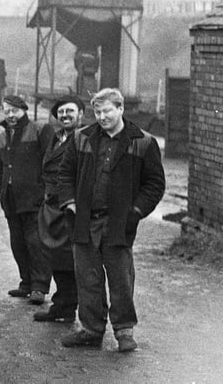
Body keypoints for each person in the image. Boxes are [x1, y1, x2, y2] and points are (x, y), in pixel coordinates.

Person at [58, 88, 165, 353]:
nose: (102, 117)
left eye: (107, 111)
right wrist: (70, 203)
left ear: (120, 109)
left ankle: (124, 331)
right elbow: (65, 174)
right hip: (85, 220)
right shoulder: (82, 138)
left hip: (118, 222)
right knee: (88, 278)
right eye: (97, 112)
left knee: (121, 279)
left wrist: (137, 211)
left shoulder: (142, 141)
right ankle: (91, 330)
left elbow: (154, 184)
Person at [0, 94, 54, 305]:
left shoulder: (39, 130)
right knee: (18, 243)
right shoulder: (2, 138)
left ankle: (39, 287)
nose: (11, 115)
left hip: (34, 200)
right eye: (7, 111)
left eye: (15, 111)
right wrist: (3, 190)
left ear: (24, 111)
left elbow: (51, 162)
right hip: (11, 201)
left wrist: (44, 192)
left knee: (35, 243)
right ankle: (26, 282)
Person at [34, 96, 85, 323]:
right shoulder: (57, 138)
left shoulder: (84, 140)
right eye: (61, 112)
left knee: (69, 259)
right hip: (51, 207)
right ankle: (62, 304)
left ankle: (69, 305)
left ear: (81, 114)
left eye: (70, 111)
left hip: (69, 206)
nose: (65, 115)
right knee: (55, 257)